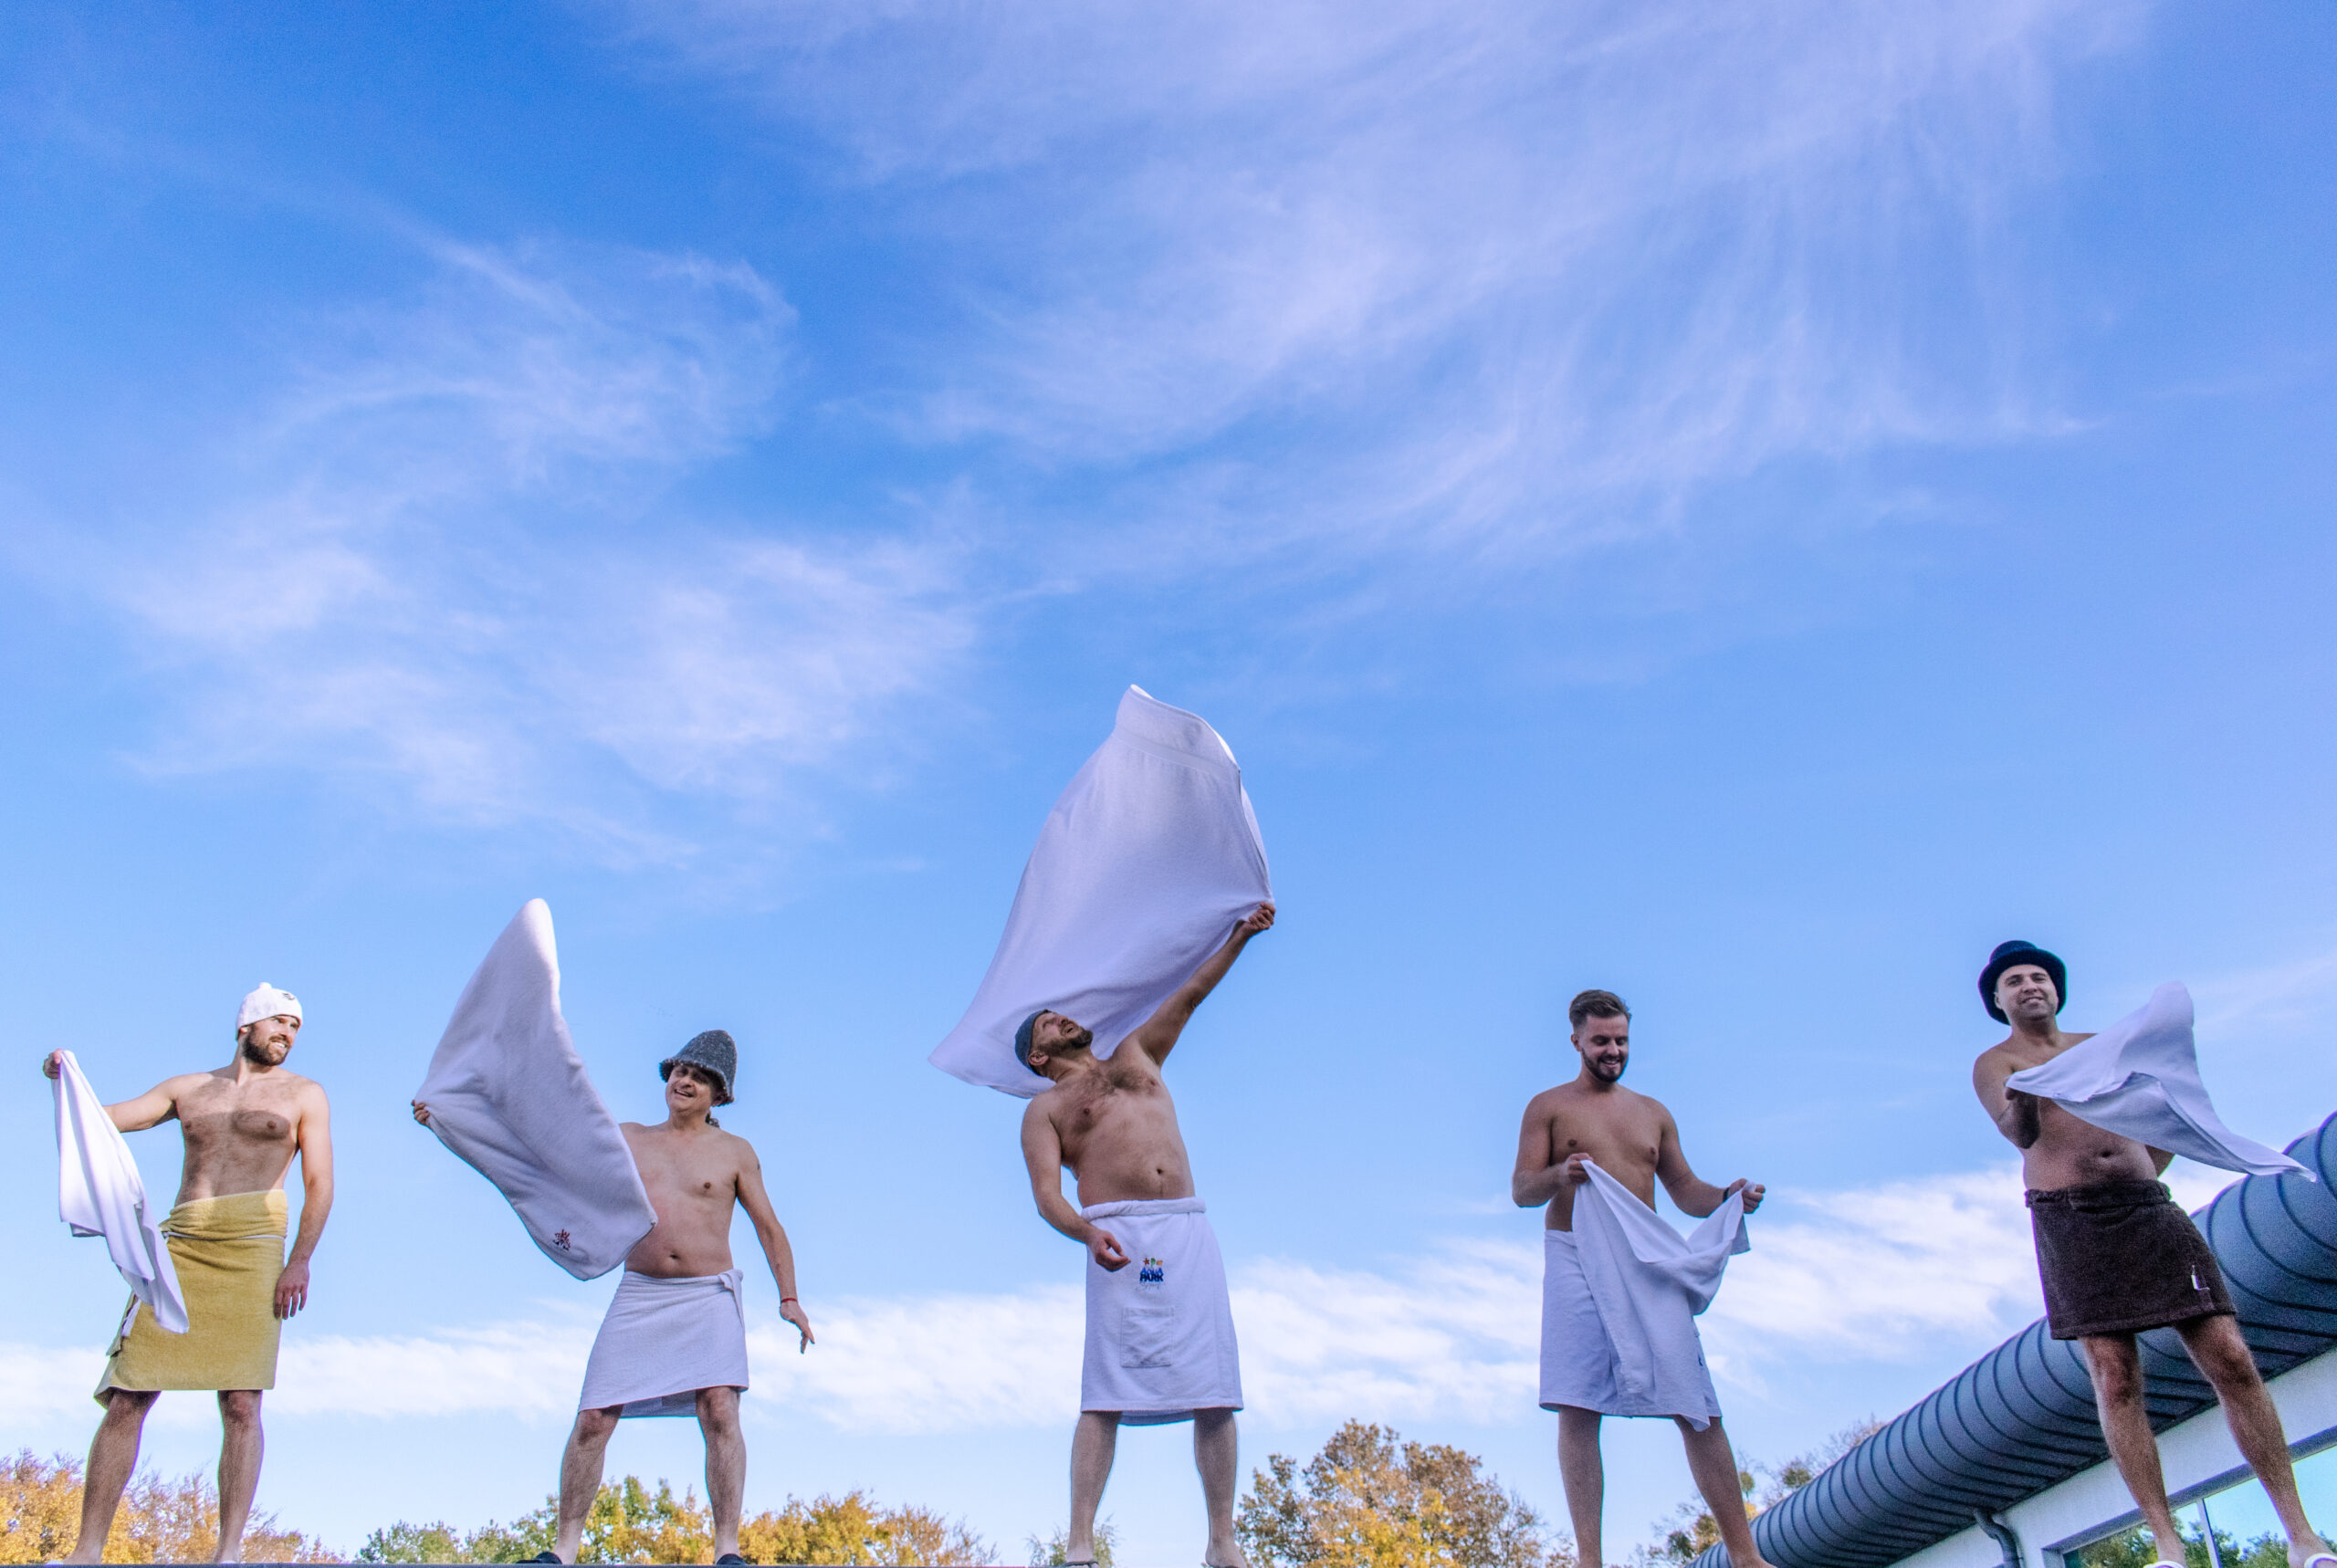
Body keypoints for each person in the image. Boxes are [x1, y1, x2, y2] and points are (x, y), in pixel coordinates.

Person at [1972, 941, 2333, 1568]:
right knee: (2116, 1375)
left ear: (2056, 990)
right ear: (1998, 1000)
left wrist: (2138, 1170)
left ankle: (2303, 1538)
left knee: (2232, 1357)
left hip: (2146, 1206)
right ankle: (2167, 1545)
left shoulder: (2105, 1047)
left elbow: (2167, 1114)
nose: (2030, 986)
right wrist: (2030, 1092)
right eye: (2014, 982)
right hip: (2072, 1220)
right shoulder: (1996, 1062)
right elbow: (2020, 1134)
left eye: (2039, 977)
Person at [417, 1029, 812, 1567]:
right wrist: (455, 1119)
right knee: (594, 1417)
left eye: (698, 1076)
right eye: (678, 1071)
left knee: (720, 1410)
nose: (684, 1080)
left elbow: (769, 1227)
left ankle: (727, 1550)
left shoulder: (735, 1153)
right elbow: (548, 1151)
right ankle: (563, 1550)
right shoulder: (628, 1137)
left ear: (720, 1093)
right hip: (641, 1292)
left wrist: (789, 1298)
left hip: (707, 1296)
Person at [1017, 902, 1274, 1568]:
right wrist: (1085, 1236)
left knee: (1215, 1388)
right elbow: (1047, 1198)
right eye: (1050, 1021)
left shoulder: (1136, 1052)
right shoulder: (1044, 1109)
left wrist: (1240, 936)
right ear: (1039, 1054)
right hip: (1119, 1238)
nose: (1065, 1017)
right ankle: (1080, 1542)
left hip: (1187, 1226)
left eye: (1063, 1012)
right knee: (1105, 1391)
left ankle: (1222, 1540)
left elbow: (1191, 992)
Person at [40, 983, 333, 1564]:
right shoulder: (188, 1089)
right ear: (245, 1025)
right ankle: (87, 1552)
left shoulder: (305, 1095)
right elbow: (104, 1123)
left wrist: (299, 1259)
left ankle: (227, 1553)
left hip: (254, 1248)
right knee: (127, 1395)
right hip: (182, 1243)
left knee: (242, 1403)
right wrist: (63, 1080)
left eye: (295, 1028)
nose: (288, 1035)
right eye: (278, 1023)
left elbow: (320, 1183)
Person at [1512, 989, 1769, 1568]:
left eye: (1621, 1040)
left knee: (1698, 1404)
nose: (1613, 1050)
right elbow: (1522, 1191)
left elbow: (1686, 1192)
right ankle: (1590, 1559)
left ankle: (1745, 1554)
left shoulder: (1653, 1112)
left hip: (1645, 1259)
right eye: (1601, 1040)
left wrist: (1729, 1197)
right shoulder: (1548, 1107)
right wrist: (1562, 1172)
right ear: (1576, 1040)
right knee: (1577, 1403)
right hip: (1575, 1254)